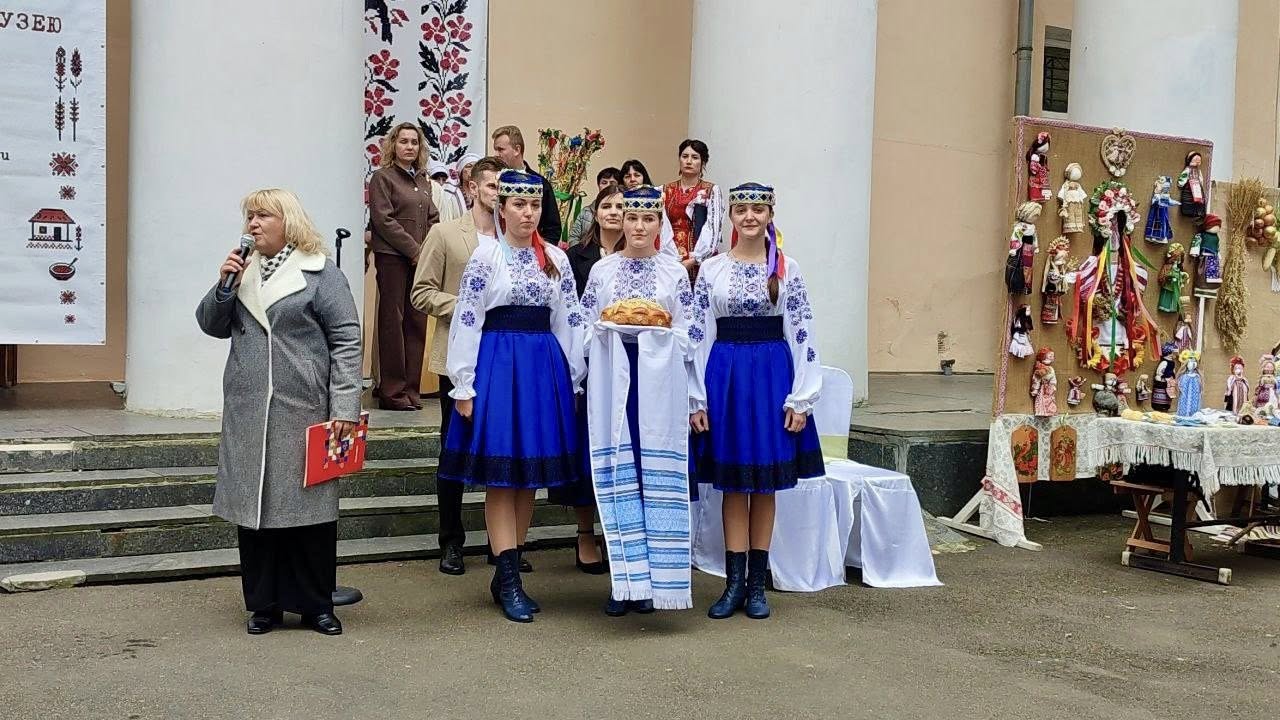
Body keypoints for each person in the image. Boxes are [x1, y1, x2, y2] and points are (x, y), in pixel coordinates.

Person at [195, 188, 362, 636]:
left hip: (304, 407)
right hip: (249, 409)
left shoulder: (320, 273)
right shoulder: (242, 271)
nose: (252, 223)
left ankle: (316, 606)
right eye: (249, 216)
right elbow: (210, 324)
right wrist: (225, 285)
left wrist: (345, 405)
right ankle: (263, 605)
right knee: (256, 512)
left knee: (309, 513)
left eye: (263, 215)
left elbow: (347, 341)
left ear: (288, 221)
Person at [440, 169, 586, 623]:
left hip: (542, 369)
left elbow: (569, 319)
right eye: (519, 205)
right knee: (503, 475)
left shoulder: (556, 259)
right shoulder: (486, 257)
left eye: (535, 205)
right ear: (501, 208)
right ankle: (508, 578)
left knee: (528, 475)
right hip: (499, 366)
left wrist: (574, 377)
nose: (528, 213)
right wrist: (463, 383)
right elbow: (467, 319)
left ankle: (510, 567)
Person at [688, 182, 823, 620]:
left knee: (763, 483)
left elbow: (802, 331)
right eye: (741, 209)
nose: (749, 216)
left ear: (769, 215)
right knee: (733, 483)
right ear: (731, 216)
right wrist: (696, 398)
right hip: (725, 375)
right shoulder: (712, 270)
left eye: (757, 209)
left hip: (770, 377)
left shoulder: (787, 268)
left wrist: (801, 398)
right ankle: (733, 585)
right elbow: (698, 333)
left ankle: (757, 585)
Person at [580, 185, 696, 615]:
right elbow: (585, 326)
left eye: (649, 219)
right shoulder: (603, 271)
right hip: (614, 379)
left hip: (659, 383)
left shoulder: (673, 273)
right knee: (618, 474)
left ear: (659, 223)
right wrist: (604, 335)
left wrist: (655, 338)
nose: (640, 227)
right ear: (622, 221)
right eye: (633, 218)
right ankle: (623, 581)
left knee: (653, 476)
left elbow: (689, 333)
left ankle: (656, 583)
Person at [410, 156, 506, 576]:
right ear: (473, 188)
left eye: (505, 188)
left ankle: (502, 545)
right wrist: (467, 306)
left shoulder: (515, 238)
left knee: (502, 448)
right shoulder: (445, 234)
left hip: (504, 357)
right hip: (457, 357)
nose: (499, 195)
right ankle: (451, 540)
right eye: (492, 186)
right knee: (454, 449)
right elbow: (421, 292)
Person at [550, 184, 625, 575]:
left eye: (620, 207)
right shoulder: (575, 257)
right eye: (607, 206)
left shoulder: (640, 256)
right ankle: (584, 533)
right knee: (587, 449)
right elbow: (568, 310)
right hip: (588, 358)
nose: (613, 212)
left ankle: (621, 533)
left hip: (629, 361)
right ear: (596, 213)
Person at [368, 122, 440, 410]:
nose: (409, 146)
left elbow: (433, 218)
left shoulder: (423, 181)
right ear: (393, 145)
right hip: (392, 258)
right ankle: (392, 391)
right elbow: (382, 220)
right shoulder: (382, 178)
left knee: (416, 321)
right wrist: (414, 250)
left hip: (419, 259)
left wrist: (428, 250)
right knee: (392, 322)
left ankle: (412, 390)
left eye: (414, 142)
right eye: (404, 141)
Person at [663, 140, 724, 276]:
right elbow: (661, 227)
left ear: (703, 162)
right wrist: (670, 258)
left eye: (695, 157)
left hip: (701, 258)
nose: (689, 161)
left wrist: (695, 259)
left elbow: (714, 227)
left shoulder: (711, 190)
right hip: (670, 257)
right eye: (685, 156)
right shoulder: (665, 190)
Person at [492, 125, 561, 242]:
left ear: (517, 150)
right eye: (496, 149)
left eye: (500, 149)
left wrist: (539, 250)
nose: (496, 154)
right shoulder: (492, 181)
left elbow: (552, 229)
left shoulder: (541, 184)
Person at [567, 167, 622, 247]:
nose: (607, 186)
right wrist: (580, 253)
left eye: (612, 183)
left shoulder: (625, 211)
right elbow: (573, 237)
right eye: (604, 182)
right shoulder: (586, 211)